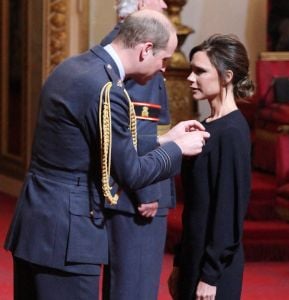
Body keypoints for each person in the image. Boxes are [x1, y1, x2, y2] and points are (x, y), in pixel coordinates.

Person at [4, 9, 210, 300]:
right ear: (145, 49)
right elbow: (132, 173)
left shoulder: (72, 67)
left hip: (37, 223)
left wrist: (166, 140)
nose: (164, 69)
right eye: (163, 60)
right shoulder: (107, 89)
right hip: (69, 235)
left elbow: (100, 147)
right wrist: (178, 150)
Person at [168, 34, 254, 300]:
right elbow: (195, 207)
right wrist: (181, 261)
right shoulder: (207, 126)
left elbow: (228, 212)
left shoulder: (232, 132)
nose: (190, 78)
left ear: (226, 76)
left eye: (199, 71)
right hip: (195, 257)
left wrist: (210, 275)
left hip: (214, 271)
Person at [100, 1, 176, 299]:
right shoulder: (143, 52)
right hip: (139, 196)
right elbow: (140, 127)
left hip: (126, 191)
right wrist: (149, 191)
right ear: (143, 3)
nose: (165, 4)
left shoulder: (116, 44)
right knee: (135, 286)